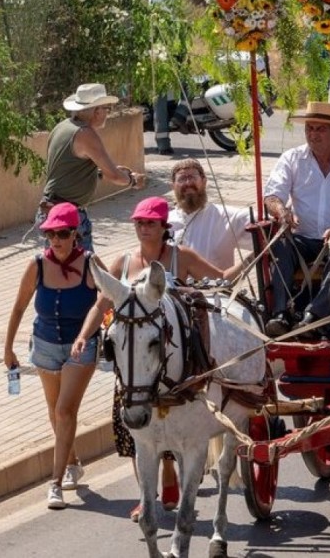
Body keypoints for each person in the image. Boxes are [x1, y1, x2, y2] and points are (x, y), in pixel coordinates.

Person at [74, 196, 225, 522]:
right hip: (133, 364)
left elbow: (219, 280)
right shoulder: (122, 264)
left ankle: (172, 481)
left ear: (162, 227)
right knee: (134, 435)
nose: (143, 228)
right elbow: (101, 306)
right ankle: (148, 497)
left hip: (174, 362)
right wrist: (84, 335)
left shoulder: (180, 258)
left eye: (150, 223)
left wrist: (245, 267)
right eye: (139, 223)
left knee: (172, 428)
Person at [3, 203, 101, 510]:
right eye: (49, 234)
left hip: (79, 349)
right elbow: (19, 306)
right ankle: (72, 463)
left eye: (61, 234)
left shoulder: (90, 263)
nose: (55, 241)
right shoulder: (36, 265)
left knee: (64, 412)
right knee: (53, 410)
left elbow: (110, 297)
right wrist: (8, 348)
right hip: (44, 345)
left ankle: (55, 483)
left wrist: (87, 333)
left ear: (75, 234)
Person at [261, 102, 330, 336]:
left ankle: (314, 316)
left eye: (321, 129)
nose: (313, 134)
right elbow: (272, 196)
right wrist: (282, 213)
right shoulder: (291, 159)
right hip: (301, 238)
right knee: (280, 244)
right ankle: (280, 314)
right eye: (309, 128)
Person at [38, 83, 148, 252]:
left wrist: (98, 173)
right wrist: (133, 180)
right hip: (65, 215)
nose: (107, 113)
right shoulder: (85, 134)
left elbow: (70, 169)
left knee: (59, 271)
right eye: (106, 108)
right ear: (96, 111)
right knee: (80, 272)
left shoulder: (63, 127)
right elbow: (115, 176)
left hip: (54, 210)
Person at [168, 159, 251, 272]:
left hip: (215, 288)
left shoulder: (227, 216)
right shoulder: (164, 221)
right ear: (173, 186)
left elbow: (266, 228)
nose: (188, 183)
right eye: (182, 179)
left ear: (204, 181)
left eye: (193, 177)